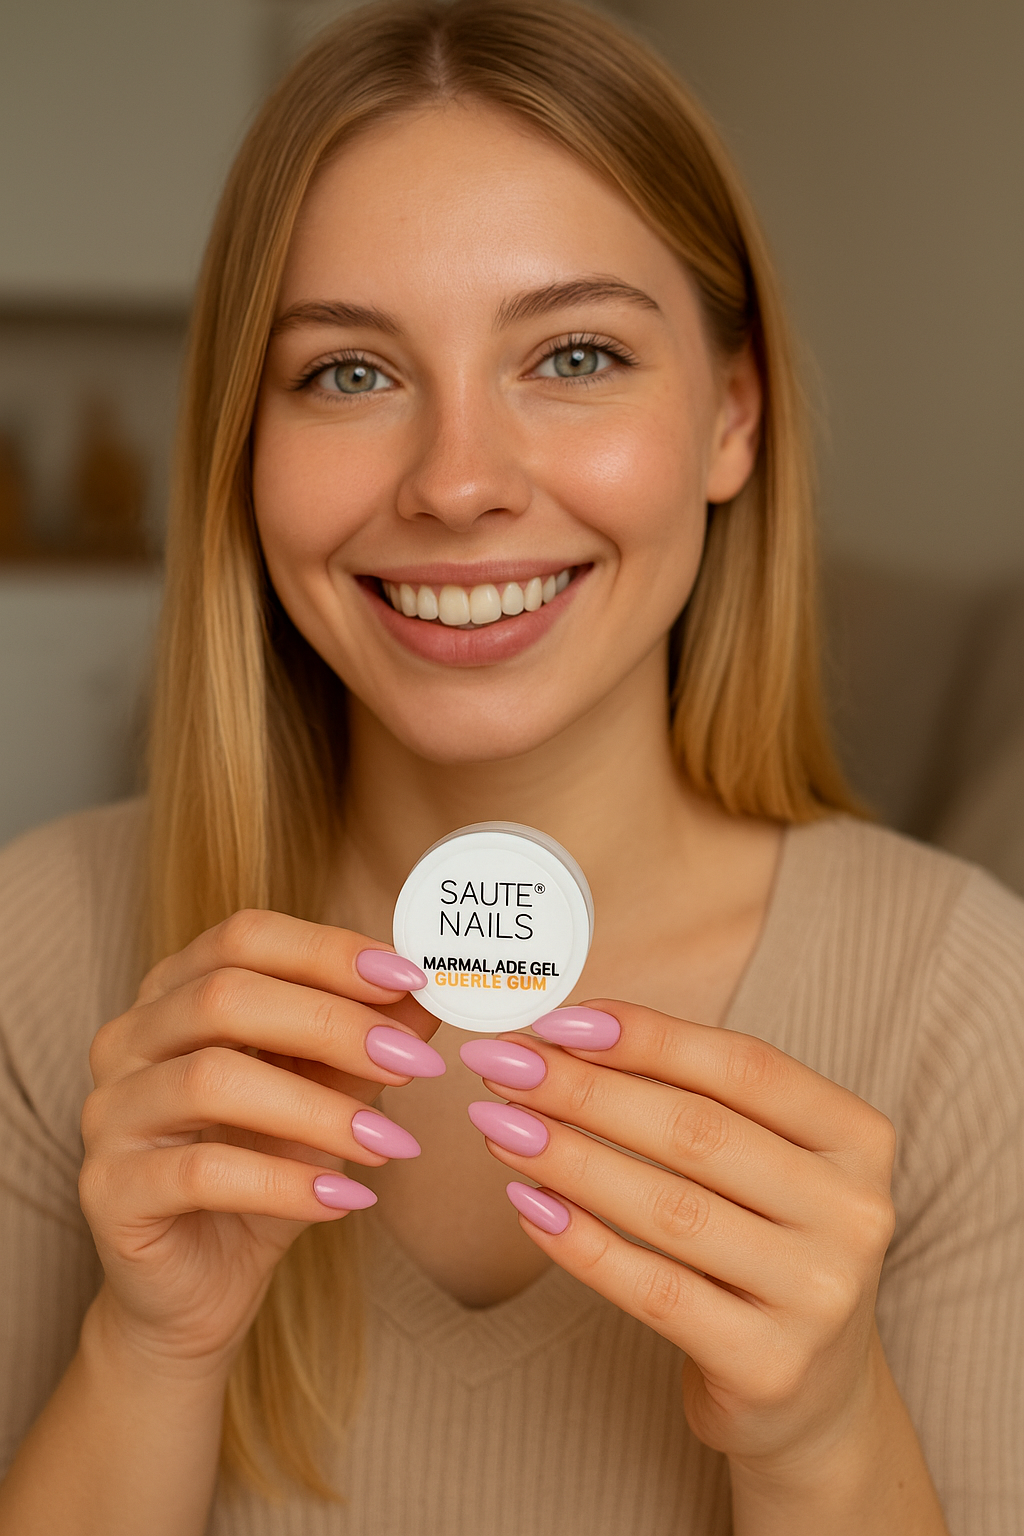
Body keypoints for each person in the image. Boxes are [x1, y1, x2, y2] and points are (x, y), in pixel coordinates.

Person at [0, 2, 1020, 1532]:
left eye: (576, 354)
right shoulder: (42, 950)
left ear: (731, 416)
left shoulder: (965, 1006)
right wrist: (148, 1351)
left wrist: (820, 1436)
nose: (458, 482)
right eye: (349, 373)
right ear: (242, 444)